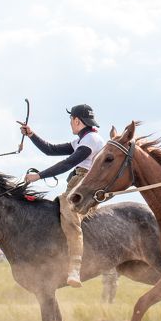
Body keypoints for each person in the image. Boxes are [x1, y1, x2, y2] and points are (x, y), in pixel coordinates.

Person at [20, 104, 106, 288]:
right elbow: (50, 150)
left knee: (69, 213)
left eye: (70, 120)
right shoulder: (83, 140)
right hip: (78, 184)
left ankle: (74, 268)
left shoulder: (91, 139)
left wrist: (39, 176)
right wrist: (31, 135)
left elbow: (68, 163)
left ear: (76, 120)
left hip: (86, 186)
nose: (70, 124)